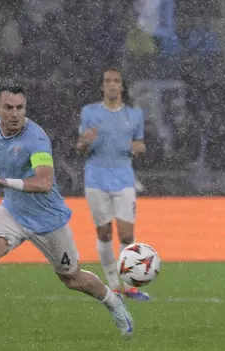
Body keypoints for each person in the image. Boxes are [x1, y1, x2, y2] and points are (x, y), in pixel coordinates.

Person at [0, 86, 134, 338]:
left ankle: (113, 302)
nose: (15, 113)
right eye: (8, 107)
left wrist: (4, 183)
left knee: (72, 279)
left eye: (20, 108)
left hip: (48, 221)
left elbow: (44, 183)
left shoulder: (35, 139)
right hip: (12, 212)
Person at [77, 68, 149, 301]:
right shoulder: (89, 113)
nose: (111, 85)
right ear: (101, 86)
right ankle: (113, 285)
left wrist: (138, 147)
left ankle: (130, 285)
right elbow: (80, 147)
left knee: (127, 235)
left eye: (116, 81)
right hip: (96, 179)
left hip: (124, 179)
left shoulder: (134, 114)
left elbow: (140, 145)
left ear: (122, 86)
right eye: (107, 81)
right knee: (105, 233)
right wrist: (84, 142)